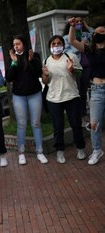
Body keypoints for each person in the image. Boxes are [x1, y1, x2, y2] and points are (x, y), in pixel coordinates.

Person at [42, 35, 86, 164]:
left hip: (71, 96)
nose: (56, 46)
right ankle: (60, 152)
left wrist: (72, 69)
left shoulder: (70, 57)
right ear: (50, 46)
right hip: (54, 99)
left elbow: (80, 74)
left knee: (76, 125)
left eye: (59, 43)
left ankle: (80, 148)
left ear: (63, 45)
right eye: (53, 44)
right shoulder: (46, 61)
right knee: (58, 127)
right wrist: (44, 75)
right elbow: (46, 81)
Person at [5, 34, 48, 165]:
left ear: (24, 43)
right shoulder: (13, 58)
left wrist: (30, 61)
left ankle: (40, 152)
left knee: (36, 123)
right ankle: (21, 153)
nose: (15, 47)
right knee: (22, 124)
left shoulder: (34, 56)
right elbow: (9, 78)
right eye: (14, 45)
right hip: (19, 96)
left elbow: (38, 74)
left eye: (18, 44)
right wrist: (13, 62)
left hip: (34, 93)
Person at [68, 19, 105, 165]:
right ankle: (97, 150)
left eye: (102, 32)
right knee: (94, 123)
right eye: (96, 32)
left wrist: (88, 27)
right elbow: (71, 40)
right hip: (97, 90)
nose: (97, 34)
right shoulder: (90, 49)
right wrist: (73, 26)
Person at [63, 16, 94, 125]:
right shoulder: (66, 38)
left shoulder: (85, 34)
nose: (79, 23)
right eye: (77, 22)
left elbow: (95, 33)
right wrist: (80, 46)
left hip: (87, 66)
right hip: (76, 67)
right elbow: (66, 52)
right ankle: (77, 115)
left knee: (84, 91)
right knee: (77, 91)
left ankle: (84, 114)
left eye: (81, 21)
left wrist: (86, 25)